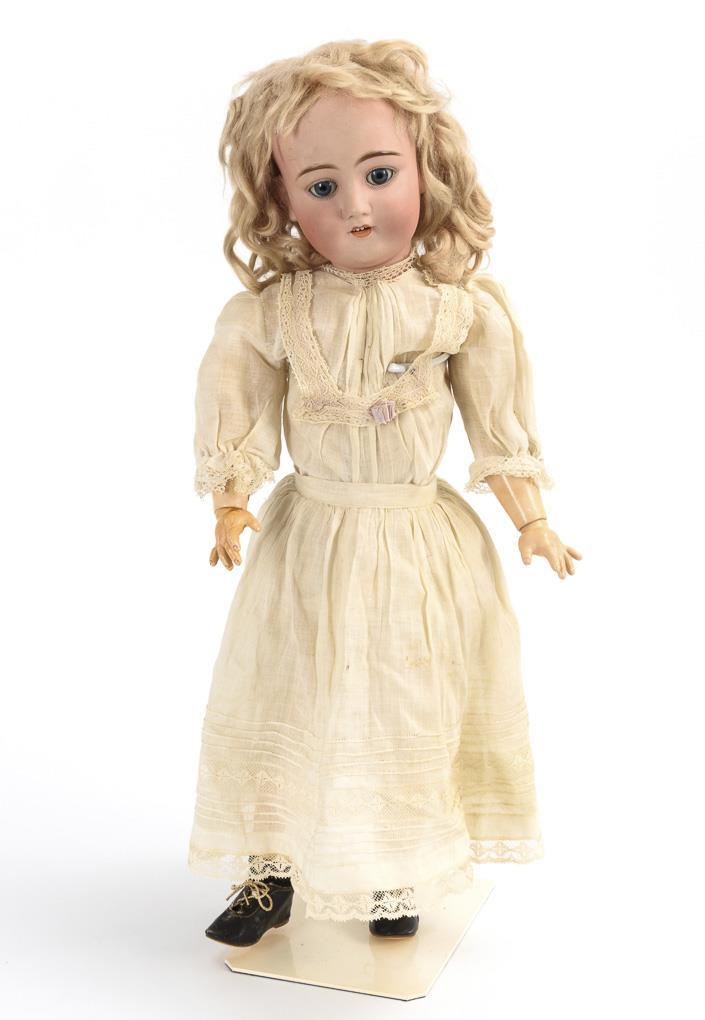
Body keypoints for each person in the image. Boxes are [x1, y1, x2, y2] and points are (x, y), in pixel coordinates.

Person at [189, 38, 581, 948]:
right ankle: (271, 873)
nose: (355, 206)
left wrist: (531, 520)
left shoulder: (460, 311)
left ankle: (392, 873)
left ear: (424, 169)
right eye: (321, 186)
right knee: (288, 694)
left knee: (404, 701)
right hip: (309, 540)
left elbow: (497, 428)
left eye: (378, 174)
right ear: (282, 197)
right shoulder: (274, 312)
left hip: (413, 544)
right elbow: (238, 408)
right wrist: (231, 500)